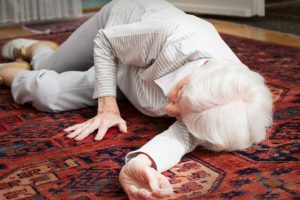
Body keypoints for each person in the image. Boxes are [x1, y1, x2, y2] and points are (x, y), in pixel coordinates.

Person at [0, 0, 273, 199]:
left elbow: (185, 135)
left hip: (130, 81)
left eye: (180, 113)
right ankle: (36, 50)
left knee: (47, 93)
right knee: (49, 68)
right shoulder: (172, 36)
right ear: (192, 76)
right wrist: (107, 106)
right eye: (177, 96)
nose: (167, 110)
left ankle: (12, 75)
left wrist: (141, 163)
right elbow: (105, 42)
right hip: (115, 38)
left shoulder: (224, 101)